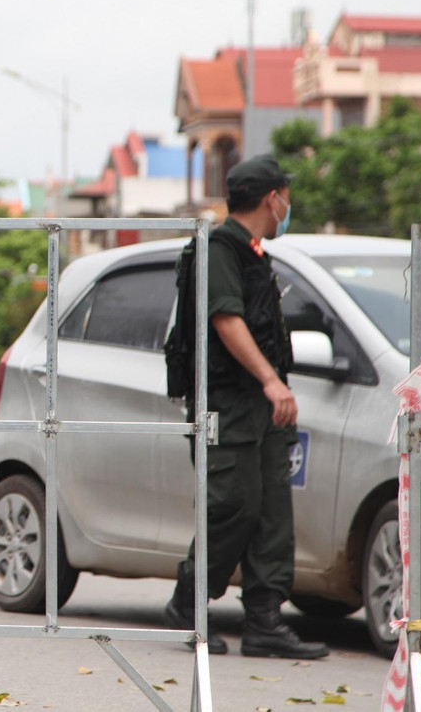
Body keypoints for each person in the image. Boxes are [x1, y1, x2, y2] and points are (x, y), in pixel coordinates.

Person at [163, 154, 329, 660]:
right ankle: (187, 607)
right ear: (270, 198)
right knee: (232, 506)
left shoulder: (255, 253)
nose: (288, 205)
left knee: (271, 514)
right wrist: (272, 383)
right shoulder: (218, 248)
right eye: (285, 195)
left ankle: (264, 623)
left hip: (262, 408)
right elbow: (226, 321)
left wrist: (275, 389)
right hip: (228, 403)